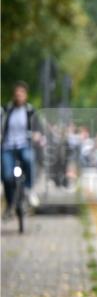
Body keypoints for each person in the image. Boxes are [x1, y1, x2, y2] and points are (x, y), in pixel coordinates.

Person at [2, 81, 39, 215]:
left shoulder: (30, 111)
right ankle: (10, 204)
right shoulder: (7, 110)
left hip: (24, 145)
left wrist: (37, 135)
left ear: (26, 95)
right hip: (8, 146)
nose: (19, 96)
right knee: (6, 176)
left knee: (29, 159)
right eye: (17, 94)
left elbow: (37, 127)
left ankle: (29, 190)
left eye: (21, 93)